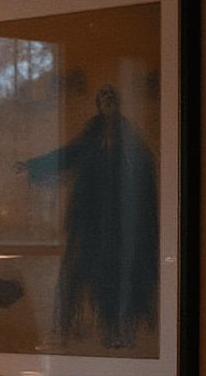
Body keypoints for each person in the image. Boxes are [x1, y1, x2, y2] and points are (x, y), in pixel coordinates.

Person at [17, 83, 159, 351]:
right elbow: (67, 155)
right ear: (98, 103)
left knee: (115, 277)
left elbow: (144, 170)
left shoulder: (129, 133)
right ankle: (63, 330)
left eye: (111, 99)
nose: (107, 103)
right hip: (89, 218)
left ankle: (116, 331)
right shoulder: (92, 132)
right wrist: (33, 165)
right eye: (102, 99)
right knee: (76, 273)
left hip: (117, 224)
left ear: (117, 103)